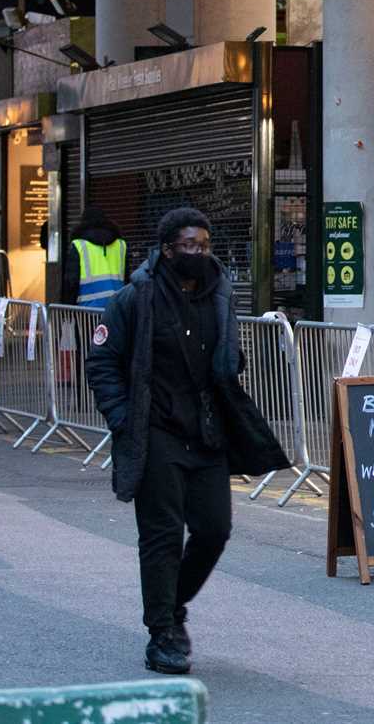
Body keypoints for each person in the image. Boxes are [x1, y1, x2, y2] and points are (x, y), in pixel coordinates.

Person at [86, 207, 288, 675]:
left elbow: (229, 352)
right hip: (155, 433)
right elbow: (102, 364)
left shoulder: (220, 291)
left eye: (204, 244)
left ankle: (170, 605)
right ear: (166, 249)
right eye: (189, 246)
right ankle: (163, 634)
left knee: (214, 530)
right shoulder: (135, 298)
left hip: (207, 431)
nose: (198, 252)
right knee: (160, 538)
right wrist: (122, 419)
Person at [62, 203, 128, 306]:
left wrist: (67, 310)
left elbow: (71, 283)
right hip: (117, 309)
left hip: (87, 311)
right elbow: (127, 279)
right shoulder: (120, 245)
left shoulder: (79, 245)